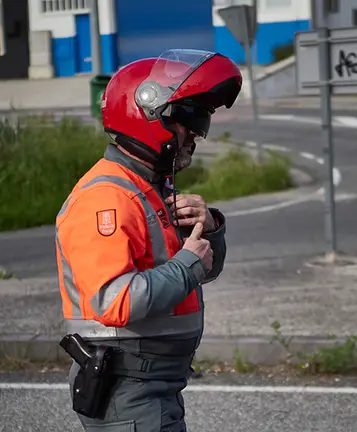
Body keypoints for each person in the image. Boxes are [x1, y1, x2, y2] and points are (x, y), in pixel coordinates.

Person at [54, 49, 242, 431]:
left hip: (154, 386)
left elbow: (203, 268)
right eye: (188, 119)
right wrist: (187, 264)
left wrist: (208, 227)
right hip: (127, 390)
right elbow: (113, 300)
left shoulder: (149, 188)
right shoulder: (107, 199)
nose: (198, 133)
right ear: (148, 116)